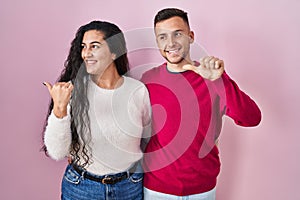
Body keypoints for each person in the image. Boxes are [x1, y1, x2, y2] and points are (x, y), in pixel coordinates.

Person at [141, 8, 262, 199]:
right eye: (162, 37)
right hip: (157, 189)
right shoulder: (148, 80)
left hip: (202, 189)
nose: (170, 43)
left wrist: (219, 80)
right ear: (157, 42)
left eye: (177, 34)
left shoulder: (212, 78)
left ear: (191, 36)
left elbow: (251, 118)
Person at [42, 21, 151, 200]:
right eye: (84, 47)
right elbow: (57, 152)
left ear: (115, 51)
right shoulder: (72, 90)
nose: (86, 53)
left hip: (130, 186)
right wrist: (59, 110)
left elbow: (148, 136)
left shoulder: (137, 90)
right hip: (81, 187)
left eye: (95, 46)